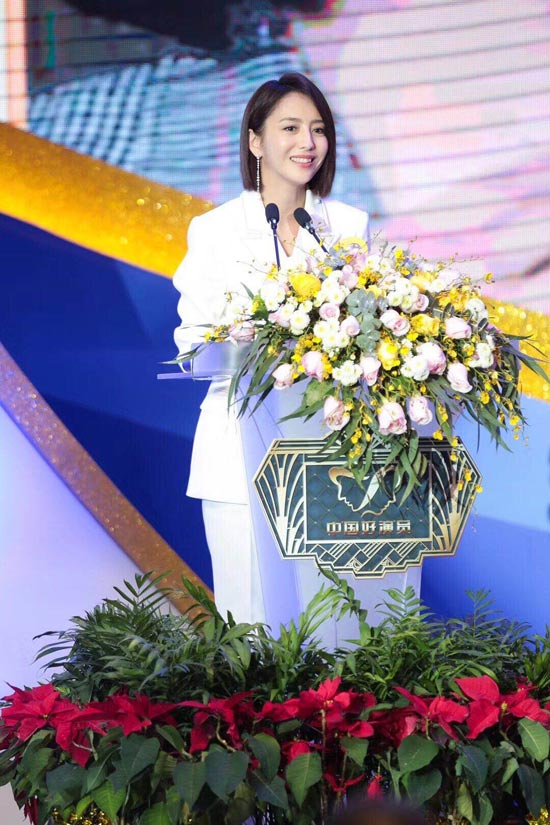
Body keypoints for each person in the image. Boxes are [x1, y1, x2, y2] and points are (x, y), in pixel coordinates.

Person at [173, 72, 369, 624]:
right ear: (256, 141)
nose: (308, 142)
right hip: (238, 453)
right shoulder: (214, 230)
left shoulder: (347, 225)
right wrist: (248, 342)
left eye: (318, 129)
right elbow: (191, 345)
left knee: (331, 624)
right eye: (290, 128)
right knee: (251, 625)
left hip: (330, 460)